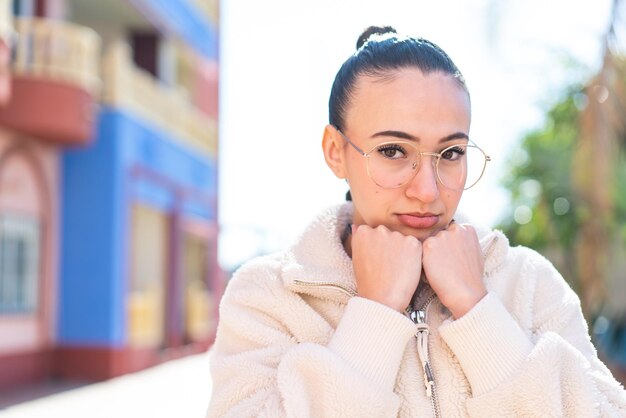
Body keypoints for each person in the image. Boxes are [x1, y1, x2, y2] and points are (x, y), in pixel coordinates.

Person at [207, 26, 626, 417]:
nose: (427, 190)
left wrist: (479, 311)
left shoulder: (527, 283)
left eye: (451, 153)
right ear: (336, 151)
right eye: (393, 151)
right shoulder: (270, 297)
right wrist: (374, 316)